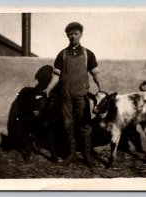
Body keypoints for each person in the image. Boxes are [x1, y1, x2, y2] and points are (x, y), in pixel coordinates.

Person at [43, 22, 103, 168]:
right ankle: (71, 154)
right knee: (67, 124)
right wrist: (48, 89)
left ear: (81, 34)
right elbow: (56, 76)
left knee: (85, 124)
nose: (72, 36)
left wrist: (101, 87)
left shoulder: (88, 54)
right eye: (70, 34)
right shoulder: (62, 54)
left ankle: (87, 155)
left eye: (75, 33)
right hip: (65, 95)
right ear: (67, 36)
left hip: (82, 95)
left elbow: (95, 73)